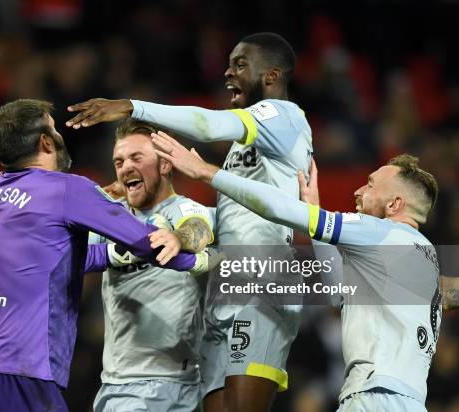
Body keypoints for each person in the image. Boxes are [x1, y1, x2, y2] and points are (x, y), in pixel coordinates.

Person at [67, 32, 311, 411]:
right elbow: (221, 220)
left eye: (240, 64)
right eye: (229, 64)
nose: (228, 72)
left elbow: (208, 126)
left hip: (261, 283)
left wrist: (133, 107)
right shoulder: (246, 149)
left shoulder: (284, 116)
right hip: (225, 289)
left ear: (272, 75)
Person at [0, 99, 212, 412]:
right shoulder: (65, 189)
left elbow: (55, 261)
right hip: (19, 375)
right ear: (45, 141)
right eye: (55, 129)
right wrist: (201, 260)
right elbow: (147, 244)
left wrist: (112, 254)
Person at [151, 130, 441, 412]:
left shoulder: (381, 232)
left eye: (370, 184)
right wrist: (314, 210)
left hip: (375, 397)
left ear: (394, 204)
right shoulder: (425, 257)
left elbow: (279, 208)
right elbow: (339, 294)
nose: (358, 190)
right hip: (409, 400)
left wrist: (207, 173)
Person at [89, 119, 214, 411]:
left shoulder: (181, 209)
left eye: (136, 157)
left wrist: (177, 237)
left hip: (168, 385)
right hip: (114, 384)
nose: (124, 167)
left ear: (165, 165)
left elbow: (199, 229)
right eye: (118, 161)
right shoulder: (111, 220)